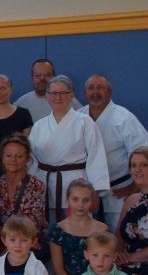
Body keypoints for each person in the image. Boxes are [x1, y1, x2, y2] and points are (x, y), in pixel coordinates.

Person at [29, 75, 109, 222]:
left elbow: (96, 157)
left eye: (63, 93)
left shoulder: (85, 122)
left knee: (76, 230)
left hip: (77, 187)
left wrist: (96, 191)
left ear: (72, 95)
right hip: (45, 186)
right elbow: (32, 160)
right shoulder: (39, 125)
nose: (58, 97)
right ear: (47, 96)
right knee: (48, 229)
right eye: (54, 93)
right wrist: (31, 187)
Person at [78, 74, 148, 230]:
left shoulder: (123, 118)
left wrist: (134, 187)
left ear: (109, 92)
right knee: (89, 238)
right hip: (86, 194)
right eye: (91, 88)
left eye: (100, 88)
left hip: (119, 192)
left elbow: (144, 153)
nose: (95, 92)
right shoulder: (79, 117)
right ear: (84, 93)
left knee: (119, 235)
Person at [47, 180, 107, 275]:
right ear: (67, 200)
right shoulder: (58, 230)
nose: (80, 205)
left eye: (85, 200)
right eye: (75, 199)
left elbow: (106, 263)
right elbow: (58, 267)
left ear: (92, 202)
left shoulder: (102, 229)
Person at [0, 134, 47, 257]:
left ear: (27, 159)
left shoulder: (36, 186)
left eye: (19, 156)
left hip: (26, 244)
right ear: (2, 157)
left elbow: (32, 225)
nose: (13, 160)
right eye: (9, 155)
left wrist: (7, 253)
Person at [116, 146, 148, 275]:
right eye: (133, 165)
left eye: (144, 165)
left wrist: (130, 258)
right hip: (128, 259)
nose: (137, 169)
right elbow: (118, 236)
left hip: (147, 262)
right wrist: (117, 254)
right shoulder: (131, 200)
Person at [14, 59, 79, 122]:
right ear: (32, 78)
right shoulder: (21, 103)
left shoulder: (69, 101)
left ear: (54, 77)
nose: (42, 78)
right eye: (38, 75)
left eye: (47, 75)